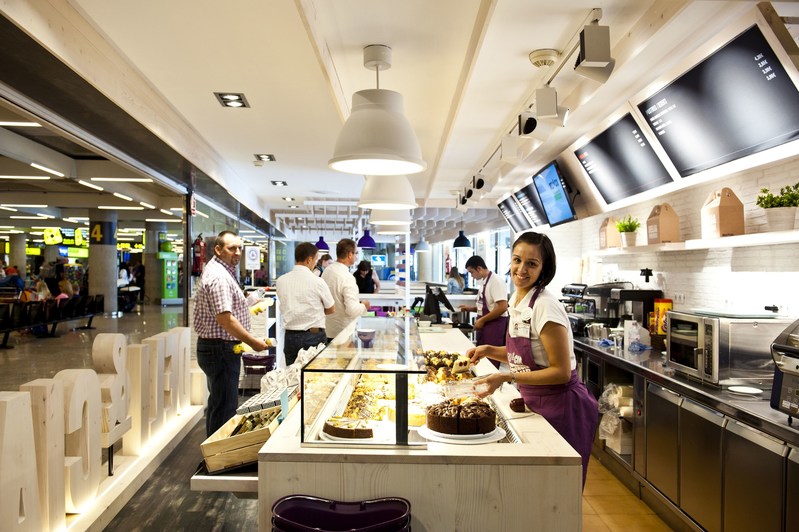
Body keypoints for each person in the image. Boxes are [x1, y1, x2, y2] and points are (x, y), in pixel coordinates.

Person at [466, 232, 598, 487]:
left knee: (557, 490)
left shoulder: (545, 306)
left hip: (562, 406)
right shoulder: (519, 300)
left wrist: (506, 376)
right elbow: (523, 353)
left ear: (544, 269)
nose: (521, 269)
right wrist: (487, 350)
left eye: (532, 264)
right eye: (517, 260)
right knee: (538, 488)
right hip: (537, 401)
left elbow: (559, 371)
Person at [193, 231, 268, 437]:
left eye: (239, 248)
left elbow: (230, 308)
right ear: (218, 249)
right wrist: (253, 342)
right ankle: (217, 457)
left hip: (218, 348)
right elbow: (225, 319)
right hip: (220, 350)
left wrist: (249, 302)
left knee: (219, 402)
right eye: (231, 248)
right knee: (224, 406)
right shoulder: (219, 277)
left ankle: (215, 453)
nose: (237, 253)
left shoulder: (223, 271)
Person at [276, 242, 336, 365]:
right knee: (315, 377)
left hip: (290, 337)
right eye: (316, 260)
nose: (316, 263)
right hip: (314, 337)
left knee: (292, 378)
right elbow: (331, 309)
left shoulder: (280, 281)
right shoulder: (317, 281)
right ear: (309, 260)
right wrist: (316, 310)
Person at [459, 255, 509, 365]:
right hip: (486, 326)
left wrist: (482, 320)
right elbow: (488, 305)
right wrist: (471, 308)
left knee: (491, 360)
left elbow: (502, 307)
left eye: (472, 272)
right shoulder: (484, 282)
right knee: (480, 358)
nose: (471, 276)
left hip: (494, 326)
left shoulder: (496, 281)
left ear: (479, 268)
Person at [322, 239, 370, 341]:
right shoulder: (347, 277)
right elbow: (352, 310)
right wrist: (364, 305)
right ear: (349, 254)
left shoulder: (327, 271)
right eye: (355, 253)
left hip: (328, 330)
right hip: (343, 334)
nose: (356, 256)